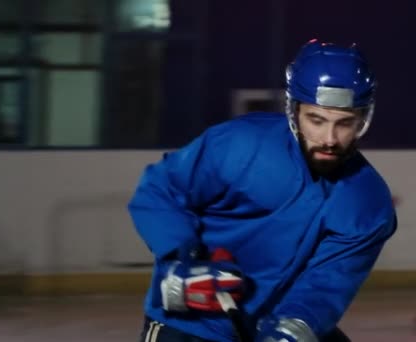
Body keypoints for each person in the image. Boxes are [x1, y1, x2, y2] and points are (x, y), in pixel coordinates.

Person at [128, 39, 398, 342]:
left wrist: (297, 326)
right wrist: (180, 258)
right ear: (293, 111)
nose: (330, 139)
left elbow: (327, 283)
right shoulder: (239, 145)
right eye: (317, 120)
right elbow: (160, 190)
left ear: (363, 119)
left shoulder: (368, 202)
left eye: (345, 123)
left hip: (267, 327)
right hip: (190, 326)